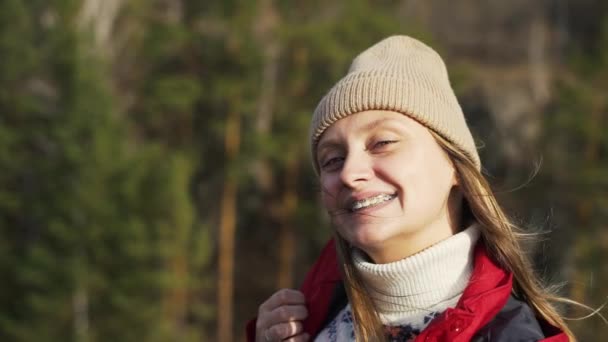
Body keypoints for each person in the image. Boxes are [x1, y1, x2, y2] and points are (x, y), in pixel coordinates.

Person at [246, 35, 572, 341]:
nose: (349, 173)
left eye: (383, 142)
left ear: (454, 167)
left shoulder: (509, 335)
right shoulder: (306, 316)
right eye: (332, 159)